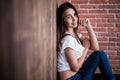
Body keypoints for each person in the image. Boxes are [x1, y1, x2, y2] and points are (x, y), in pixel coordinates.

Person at [57, 2, 115, 80]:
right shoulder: (67, 40)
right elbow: (76, 68)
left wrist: (88, 27)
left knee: (100, 54)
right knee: (100, 54)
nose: (74, 19)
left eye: (74, 15)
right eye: (68, 17)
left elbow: (96, 48)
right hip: (72, 78)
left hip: (78, 74)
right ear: (63, 20)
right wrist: (86, 48)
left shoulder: (77, 35)